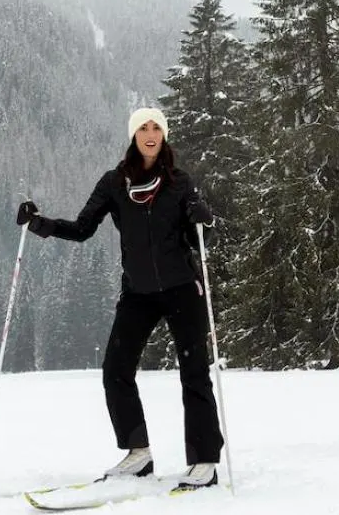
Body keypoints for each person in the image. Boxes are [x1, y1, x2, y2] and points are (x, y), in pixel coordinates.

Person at [15, 107, 224, 488]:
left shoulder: (179, 181)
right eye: (143, 127)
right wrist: (37, 223)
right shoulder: (115, 182)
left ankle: (205, 461)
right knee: (115, 369)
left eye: (156, 128)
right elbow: (82, 229)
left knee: (194, 373)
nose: (150, 133)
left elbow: (202, 238)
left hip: (181, 289)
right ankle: (138, 453)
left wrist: (201, 216)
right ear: (133, 135)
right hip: (138, 293)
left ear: (163, 135)